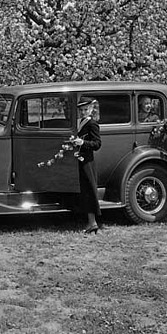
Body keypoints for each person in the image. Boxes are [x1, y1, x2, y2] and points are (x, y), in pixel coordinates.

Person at [72, 98, 102, 234]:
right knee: (84, 190)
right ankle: (89, 222)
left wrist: (82, 143)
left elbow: (97, 144)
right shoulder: (80, 123)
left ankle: (93, 223)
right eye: (81, 110)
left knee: (90, 190)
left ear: (90, 109)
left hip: (88, 161)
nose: (83, 112)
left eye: (86, 110)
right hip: (80, 159)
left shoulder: (92, 124)